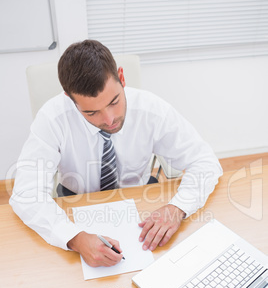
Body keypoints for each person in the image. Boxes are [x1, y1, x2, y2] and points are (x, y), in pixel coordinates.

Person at [10, 40, 222, 267]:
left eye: (114, 102)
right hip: (76, 203)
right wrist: (75, 238)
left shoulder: (151, 109)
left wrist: (177, 207)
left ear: (121, 76)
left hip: (140, 201)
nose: (109, 120)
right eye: (92, 112)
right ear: (69, 98)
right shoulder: (52, 119)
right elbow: (25, 194)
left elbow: (205, 162)